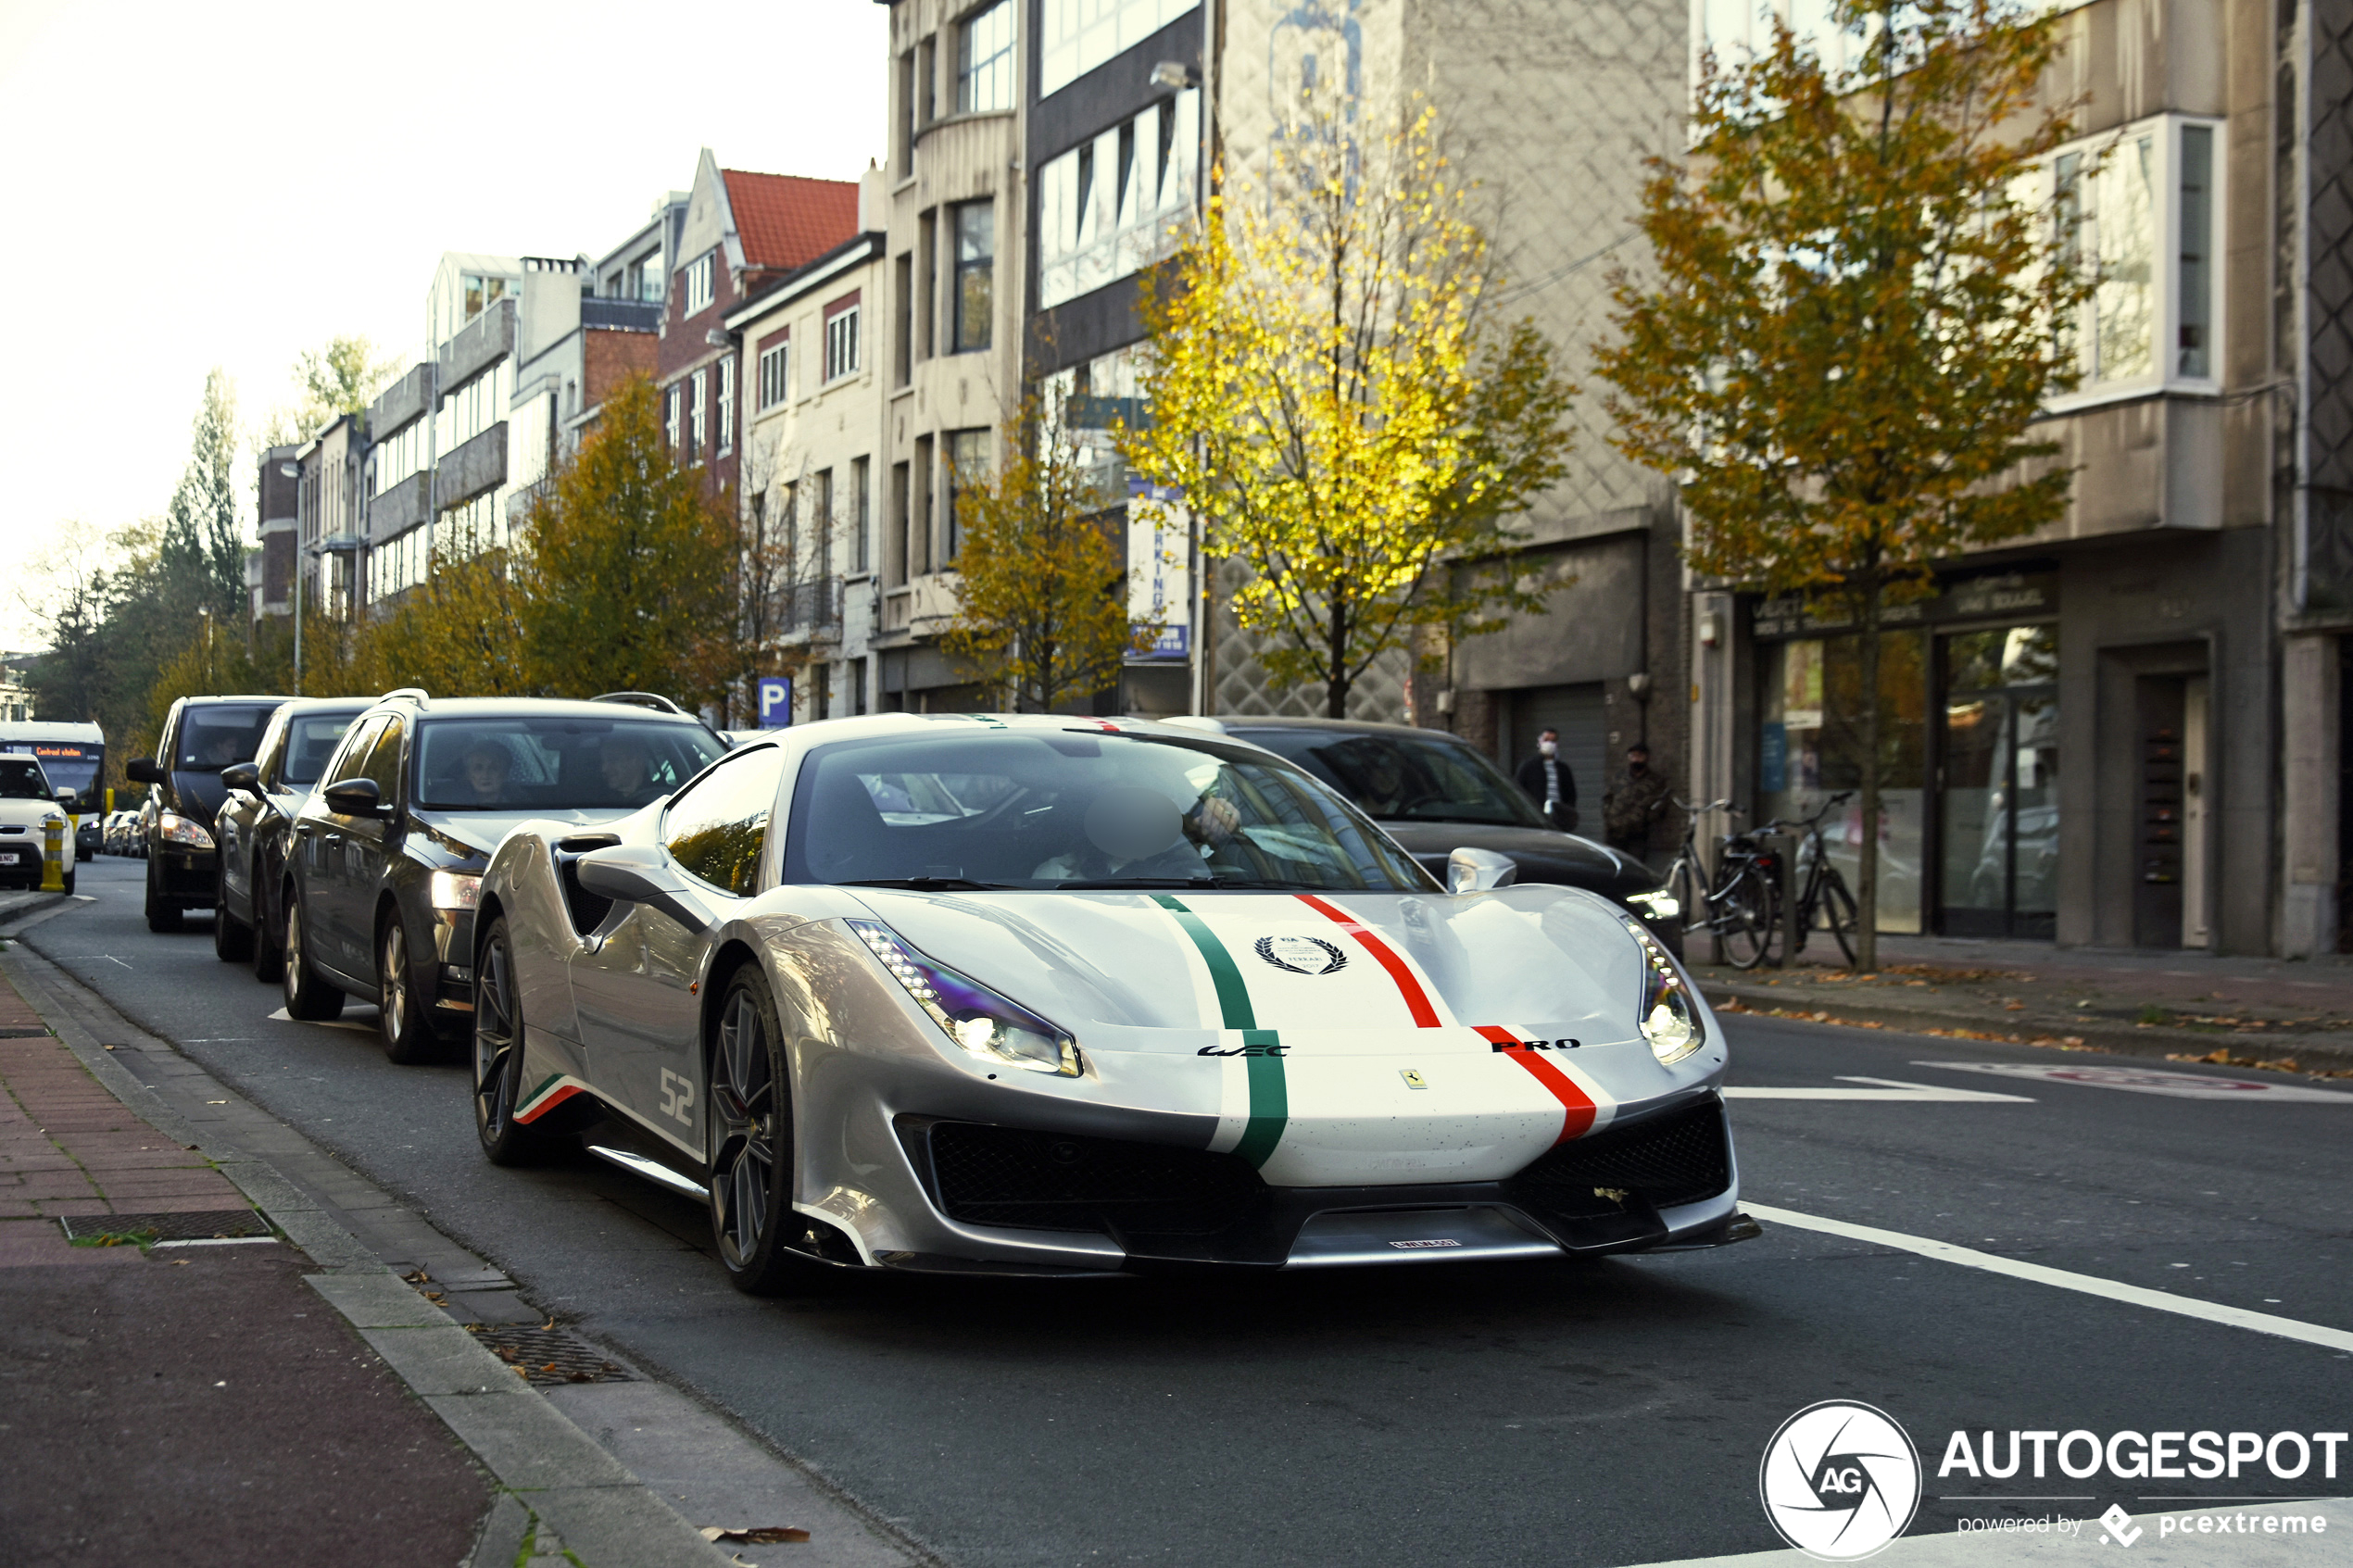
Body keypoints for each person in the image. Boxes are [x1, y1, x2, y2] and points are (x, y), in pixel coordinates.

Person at [1603, 743, 1670, 860]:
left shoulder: (1655, 781)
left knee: (1635, 865)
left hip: (1637, 834)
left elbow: (1661, 804)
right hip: (1615, 831)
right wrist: (1608, 816)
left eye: (1639, 756)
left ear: (1646, 757)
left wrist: (1646, 820)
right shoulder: (1619, 777)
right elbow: (1607, 798)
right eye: (1633, 756)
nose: (1636, 759)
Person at [1516, 728, 1576, 832]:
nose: (1549, 744)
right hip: (1536, 817)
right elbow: (1518, 789)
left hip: (1558, 818)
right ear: (1540, 742)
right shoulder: (1529, 766)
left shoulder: (1563, 769)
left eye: (1553, 741)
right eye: (1546, 740)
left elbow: (1570, 794)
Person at [598, 735, 664, 808]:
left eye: (612, 760)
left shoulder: (664, 800)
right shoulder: (598, 802)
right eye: (602, 762)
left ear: (636, 761)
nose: (603, 769)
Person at [453, 741, 514, 808]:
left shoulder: (521, 804)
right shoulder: (453, 804)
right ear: (468, 774)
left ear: (505, 773)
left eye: (493, 768)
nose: (485, 775)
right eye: (478, 768)